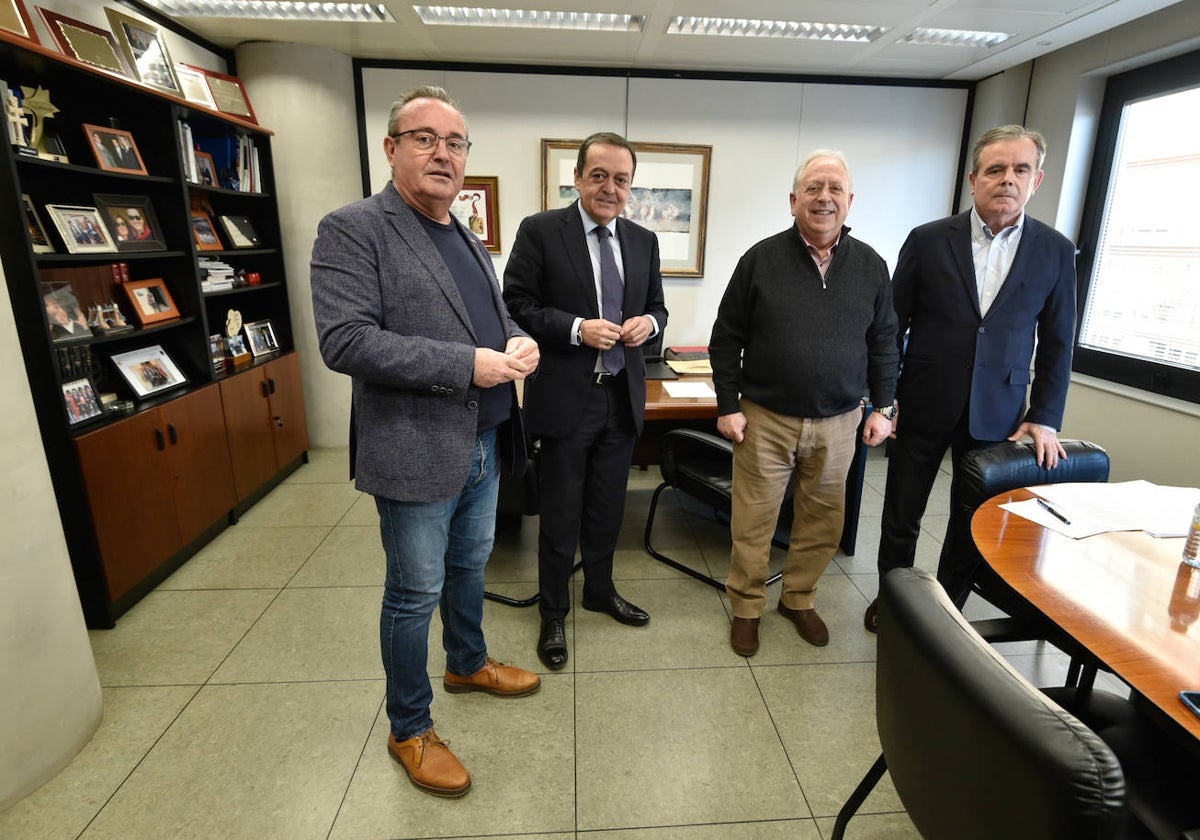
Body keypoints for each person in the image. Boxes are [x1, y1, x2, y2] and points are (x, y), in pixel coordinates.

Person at [310, 85, 542, 798]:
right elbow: (345, 341)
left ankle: (466, 660)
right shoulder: (353, 228)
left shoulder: (463, 229)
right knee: (415, 592)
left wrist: (514, 339)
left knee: (471, 566)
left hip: (485, 438)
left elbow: (488, 315)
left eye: (456, 142)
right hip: (413, 446)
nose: (444, 153)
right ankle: (409, 726)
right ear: (391, 148)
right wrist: (467, 364)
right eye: (425, 138)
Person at [866, 125, 1077, 632]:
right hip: (923, 401)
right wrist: (885, 400)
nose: (1007, 179)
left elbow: (1058, 342)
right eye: (996, 169)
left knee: (971, 520)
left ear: (1037, 179)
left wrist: (1045, 417)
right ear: (973, 178)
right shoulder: (929, 239)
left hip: (1000, 411)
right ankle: (893, 598)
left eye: (1020, 170)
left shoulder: (1054, 250)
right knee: (902, 513)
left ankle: (944, 613)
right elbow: (892, 328)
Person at [709, 150, 898, 656]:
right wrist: (728, 404)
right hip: (765, 418)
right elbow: (725, 338)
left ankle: (798, 598)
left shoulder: (872, 266)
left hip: (840, 421)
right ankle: (747, 607)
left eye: (835, 188)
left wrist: (885, 407)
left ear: (850, 201)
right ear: (793, 201)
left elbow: (884, 342)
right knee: (755, 521)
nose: (824, 198)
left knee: (822, 521)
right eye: (813, 188)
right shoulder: (760, 259)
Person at [503, 132, 668, 671]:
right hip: (567, 400)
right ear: (576, 178)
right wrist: (575, 328)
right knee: (560, 512)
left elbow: (659, 309)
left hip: (621, 399)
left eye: (621, 179)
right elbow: (517, 306)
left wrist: (650, 323)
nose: (610, 188)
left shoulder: (643, 240)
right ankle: (553, 611)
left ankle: (599, 589)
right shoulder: (542, 231)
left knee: (607, 508)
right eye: (599, 175)